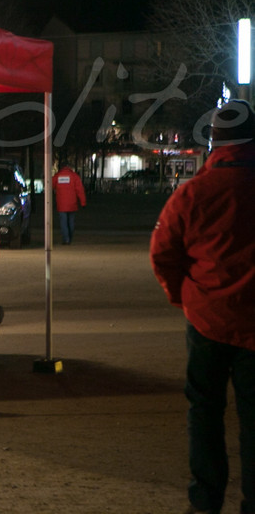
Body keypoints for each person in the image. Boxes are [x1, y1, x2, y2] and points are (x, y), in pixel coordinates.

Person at [150, 100, 255, 514]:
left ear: (214, 141)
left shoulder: (193, 193)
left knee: (205, 411)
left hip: (207, 319)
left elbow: (163, 253)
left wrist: (184, 297)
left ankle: (206, 500)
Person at [52, 159, 87, 245]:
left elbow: (51, 185)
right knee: (71, 221)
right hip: (72, 204)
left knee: (63, 222)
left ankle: (66, 239)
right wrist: (83, 202)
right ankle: (70, 237)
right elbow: (80, 190)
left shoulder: (57, 176)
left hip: (61, 204)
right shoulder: (74, 177)